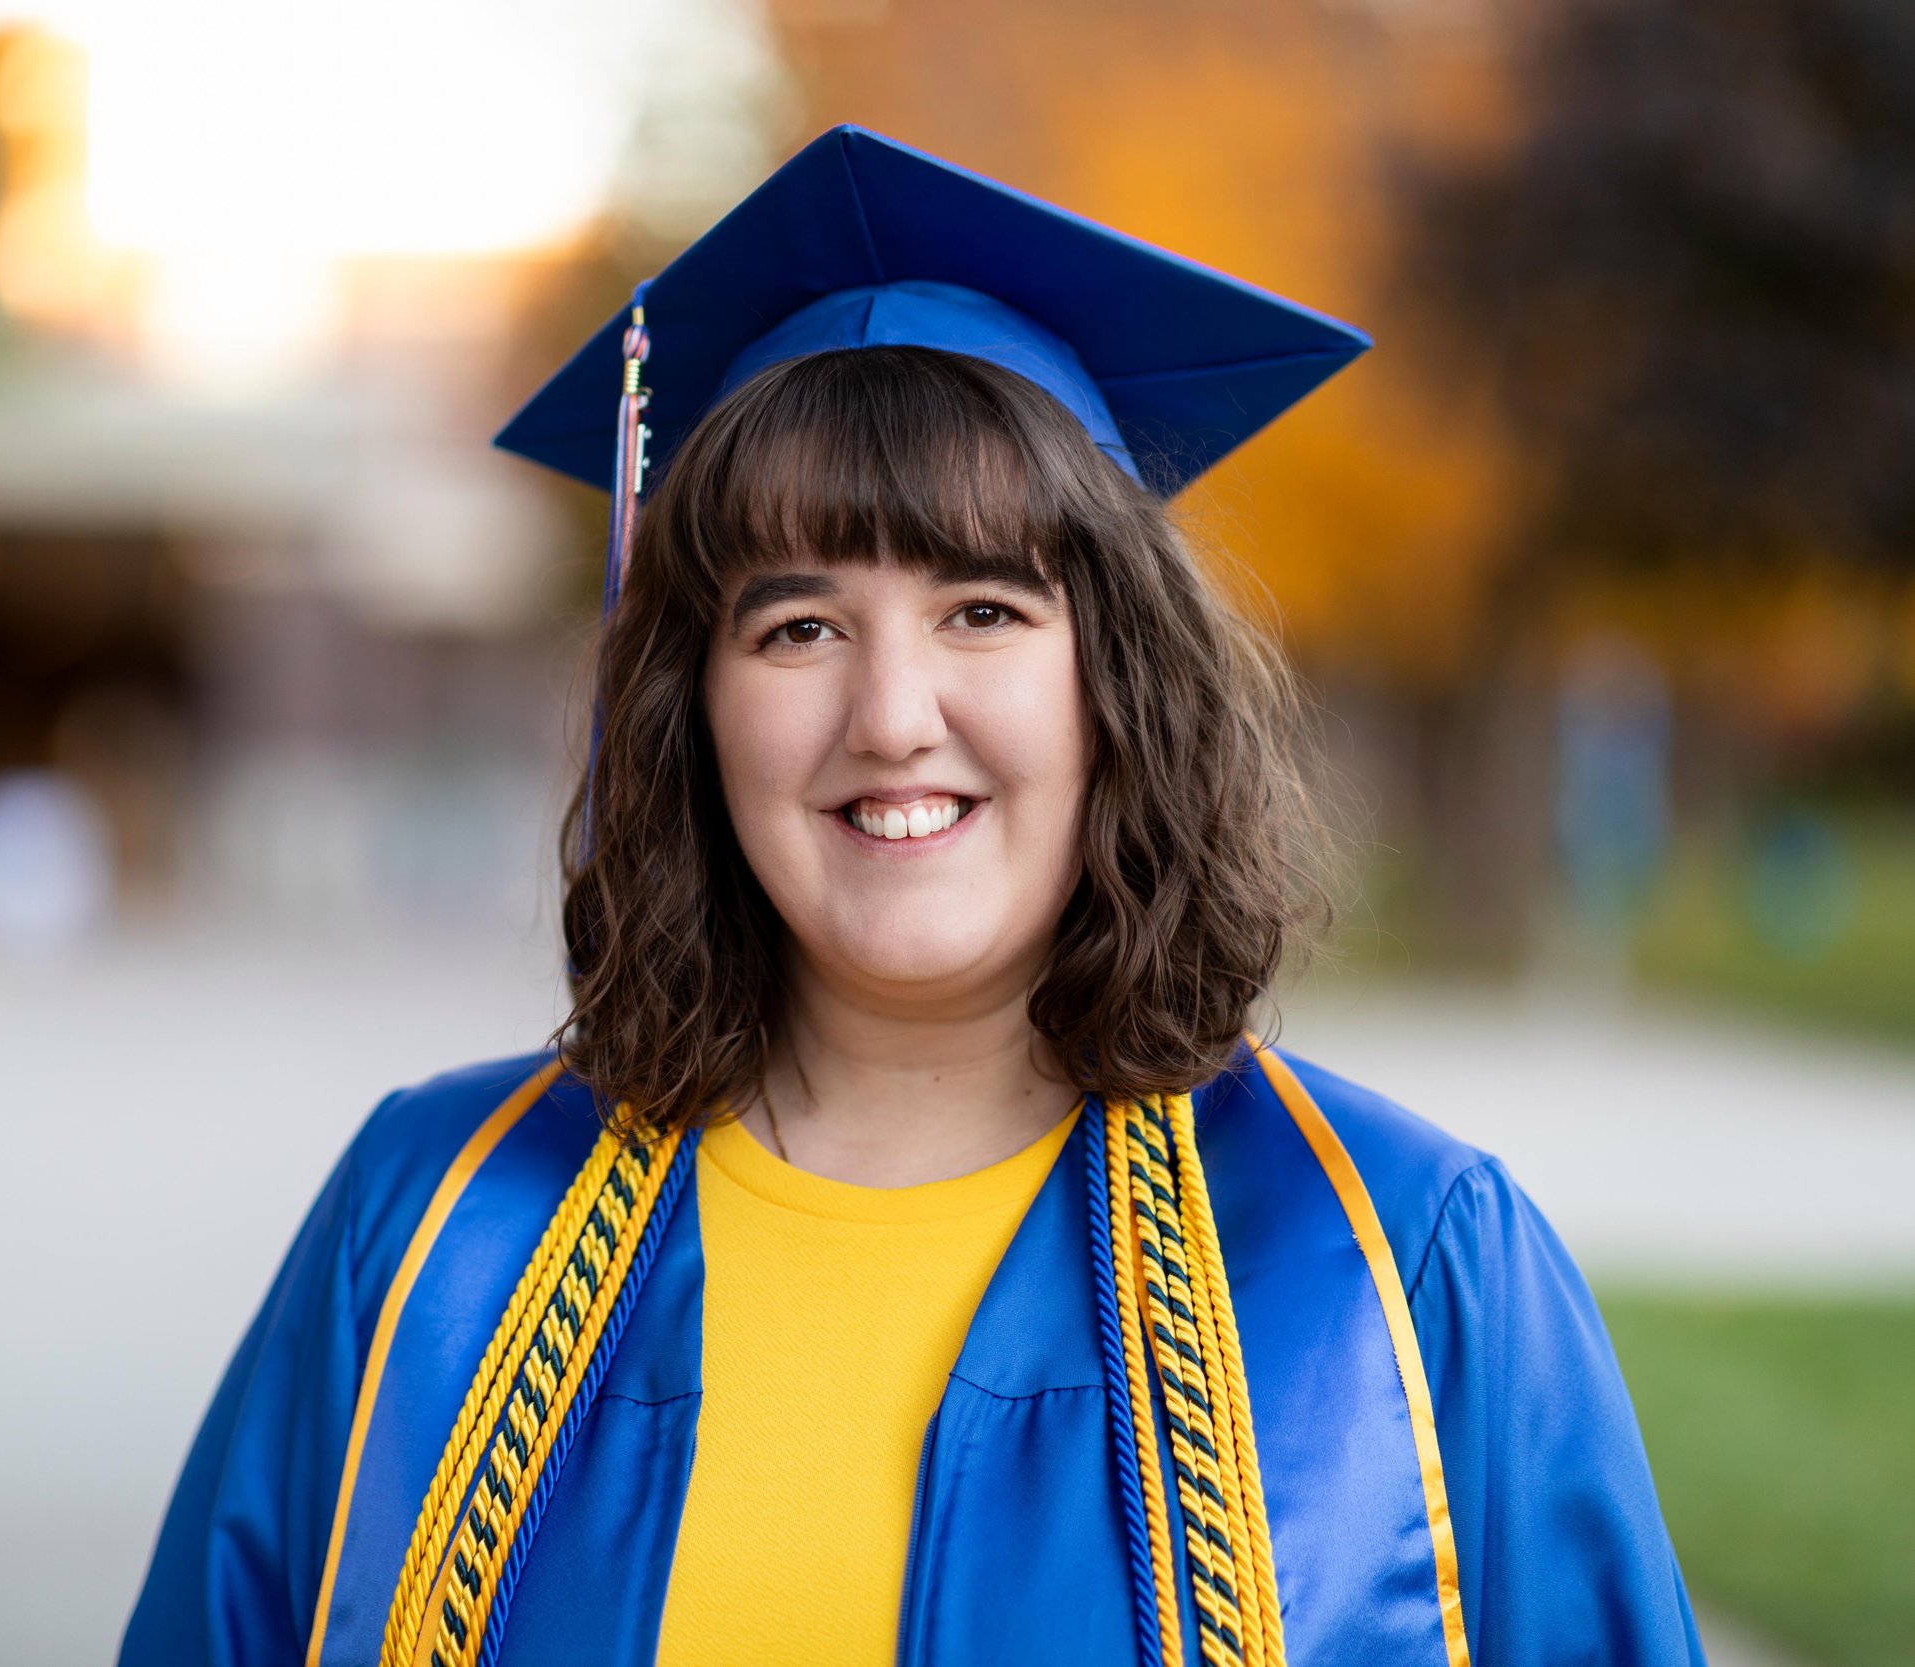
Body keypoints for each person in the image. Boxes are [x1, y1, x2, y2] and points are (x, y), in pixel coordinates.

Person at [119, 126, 1704, 1667]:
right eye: (796, 627)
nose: (890, 715)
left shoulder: (1395, 1269)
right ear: (693, 709)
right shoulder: (433, 1234)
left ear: (1119, 688)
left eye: (984, 610)